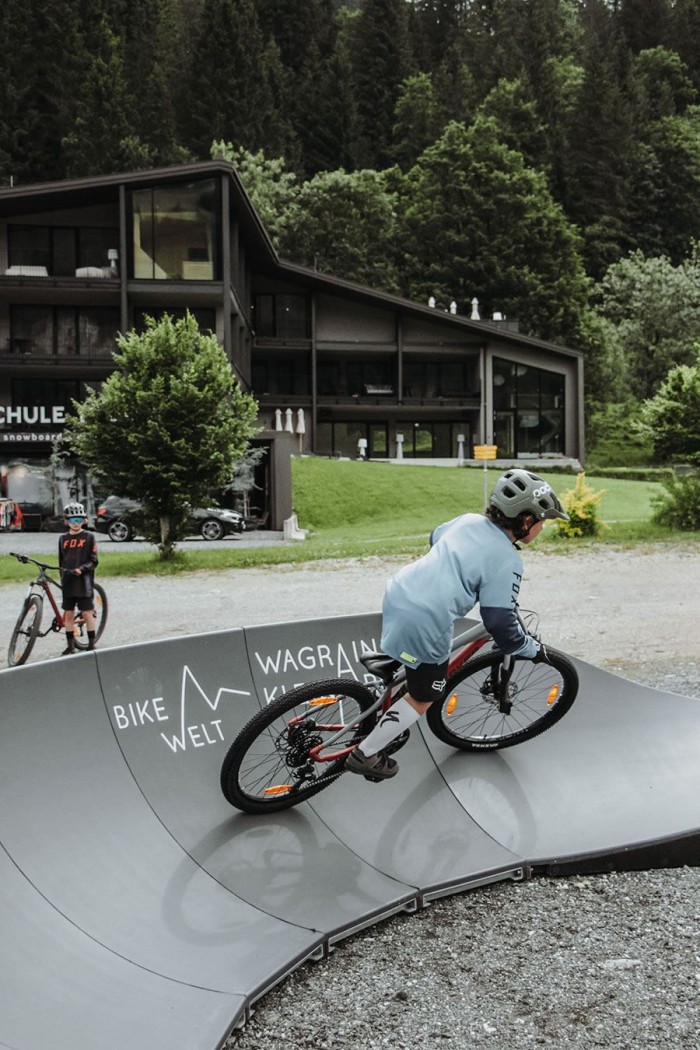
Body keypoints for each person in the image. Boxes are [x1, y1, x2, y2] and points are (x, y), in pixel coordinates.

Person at [345, 469, 569, 779]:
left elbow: (435, 536)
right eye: (543, 520)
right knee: (426, 695)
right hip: (427, 617)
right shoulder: (508, 559)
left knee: (418, 652)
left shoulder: (467, 520)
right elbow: (499, 619)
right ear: (526, 520)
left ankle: (396, 662)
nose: (543, 527)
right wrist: (525, 647)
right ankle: (366, 754)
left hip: (400, 591)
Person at [58, 501, 99, 655]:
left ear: (85, 521)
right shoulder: (63, 539)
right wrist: (63, 575)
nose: (76, 524)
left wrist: (82, 569)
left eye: (79, 520)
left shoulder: (89, 537)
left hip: (83, 582)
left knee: (87, 612)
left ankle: (91, 643)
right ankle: (70, 645)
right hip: (68, 581)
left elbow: (93, 560)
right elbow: (61, 560)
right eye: (73, 520)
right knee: (68, 613)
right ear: (66, 521)